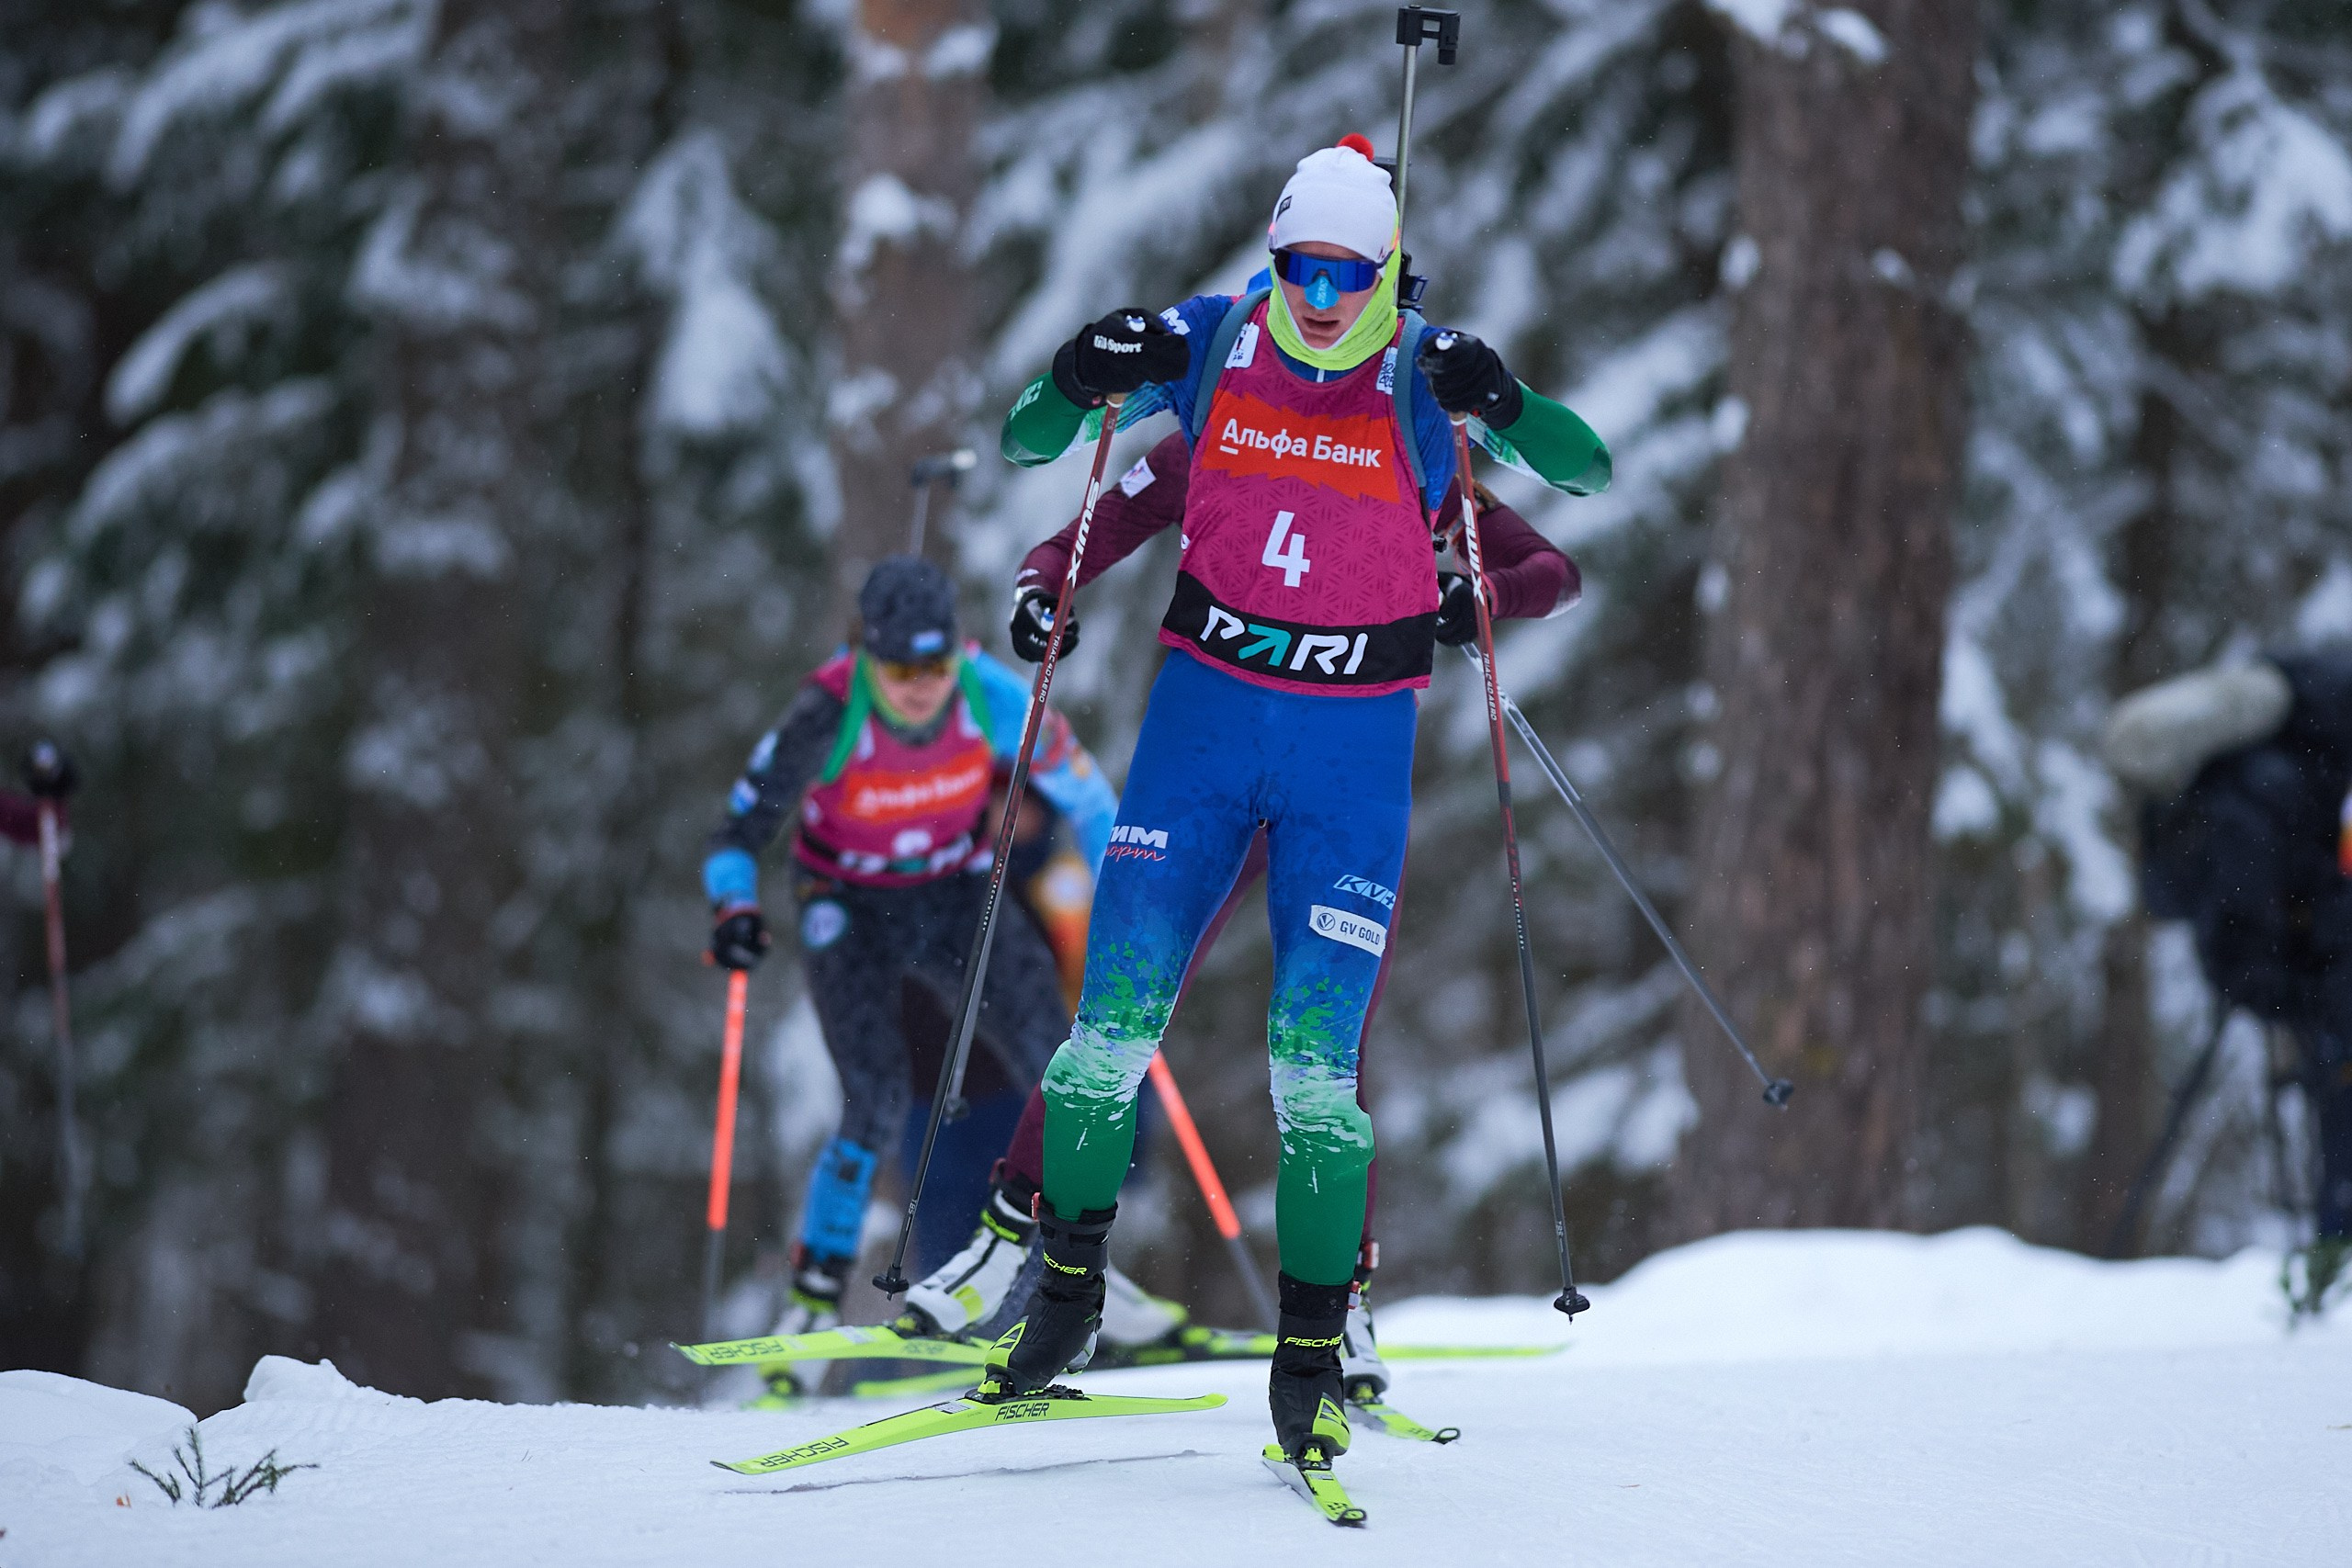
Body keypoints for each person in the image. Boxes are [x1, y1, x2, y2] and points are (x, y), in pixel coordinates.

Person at [986, 135, 1609, 1465]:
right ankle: (1068, 1284)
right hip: (1202, 731)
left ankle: (1319, 1345)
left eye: (1350, 272)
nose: (1322, 297)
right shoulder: (1217, 345)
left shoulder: (1425, 379)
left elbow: (1584, 471)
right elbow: (1036, 442)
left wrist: (1502, 395)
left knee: (1317, 1082)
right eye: (1300, 268)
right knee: (1106, 1038)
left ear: (1390, 270)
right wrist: (1072, 374)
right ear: (1274, 264)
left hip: (1351, 759)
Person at [700, 556, 1120, 1394]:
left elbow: (1091, 801)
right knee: (877, 1093)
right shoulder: (825, 714)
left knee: (1061, 1057)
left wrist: (1126, 907)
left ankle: (1059, 1268)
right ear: (867, 656)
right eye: (902, 668)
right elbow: (736, 832)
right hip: (846, 905)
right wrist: (734, 909)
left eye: (938, 664)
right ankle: (811, 1300)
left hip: (953, 890)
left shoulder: (994, 696)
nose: (923, 686)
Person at [2111, 651, 2352, 1316]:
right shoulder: (2278, 779)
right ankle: (2337, 1256)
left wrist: (2279, 987)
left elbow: (2236, 939)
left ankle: (2339, 1254)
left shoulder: (2234, 796)